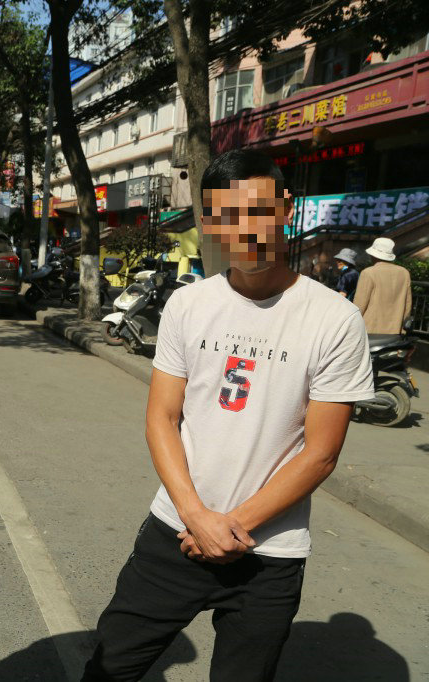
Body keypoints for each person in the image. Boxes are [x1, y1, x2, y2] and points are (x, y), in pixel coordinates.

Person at [82, 149, 374, 682]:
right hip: (175, 532)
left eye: (259, 211)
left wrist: (231, 527)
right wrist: (196, 517)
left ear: (286, 208)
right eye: (226, 217)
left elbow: (321, 453)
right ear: (210, 223)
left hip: (269, 553)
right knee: (109, 669)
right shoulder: (188, 304)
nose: (246, 230)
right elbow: (161, 418)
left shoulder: (335, 320)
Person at [354, 237, 412, 335]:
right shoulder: (404, 273)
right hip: (396, 331)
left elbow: (359, 304)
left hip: (370, 331)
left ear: (373, 255)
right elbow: (408, 304)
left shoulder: (368, 273)